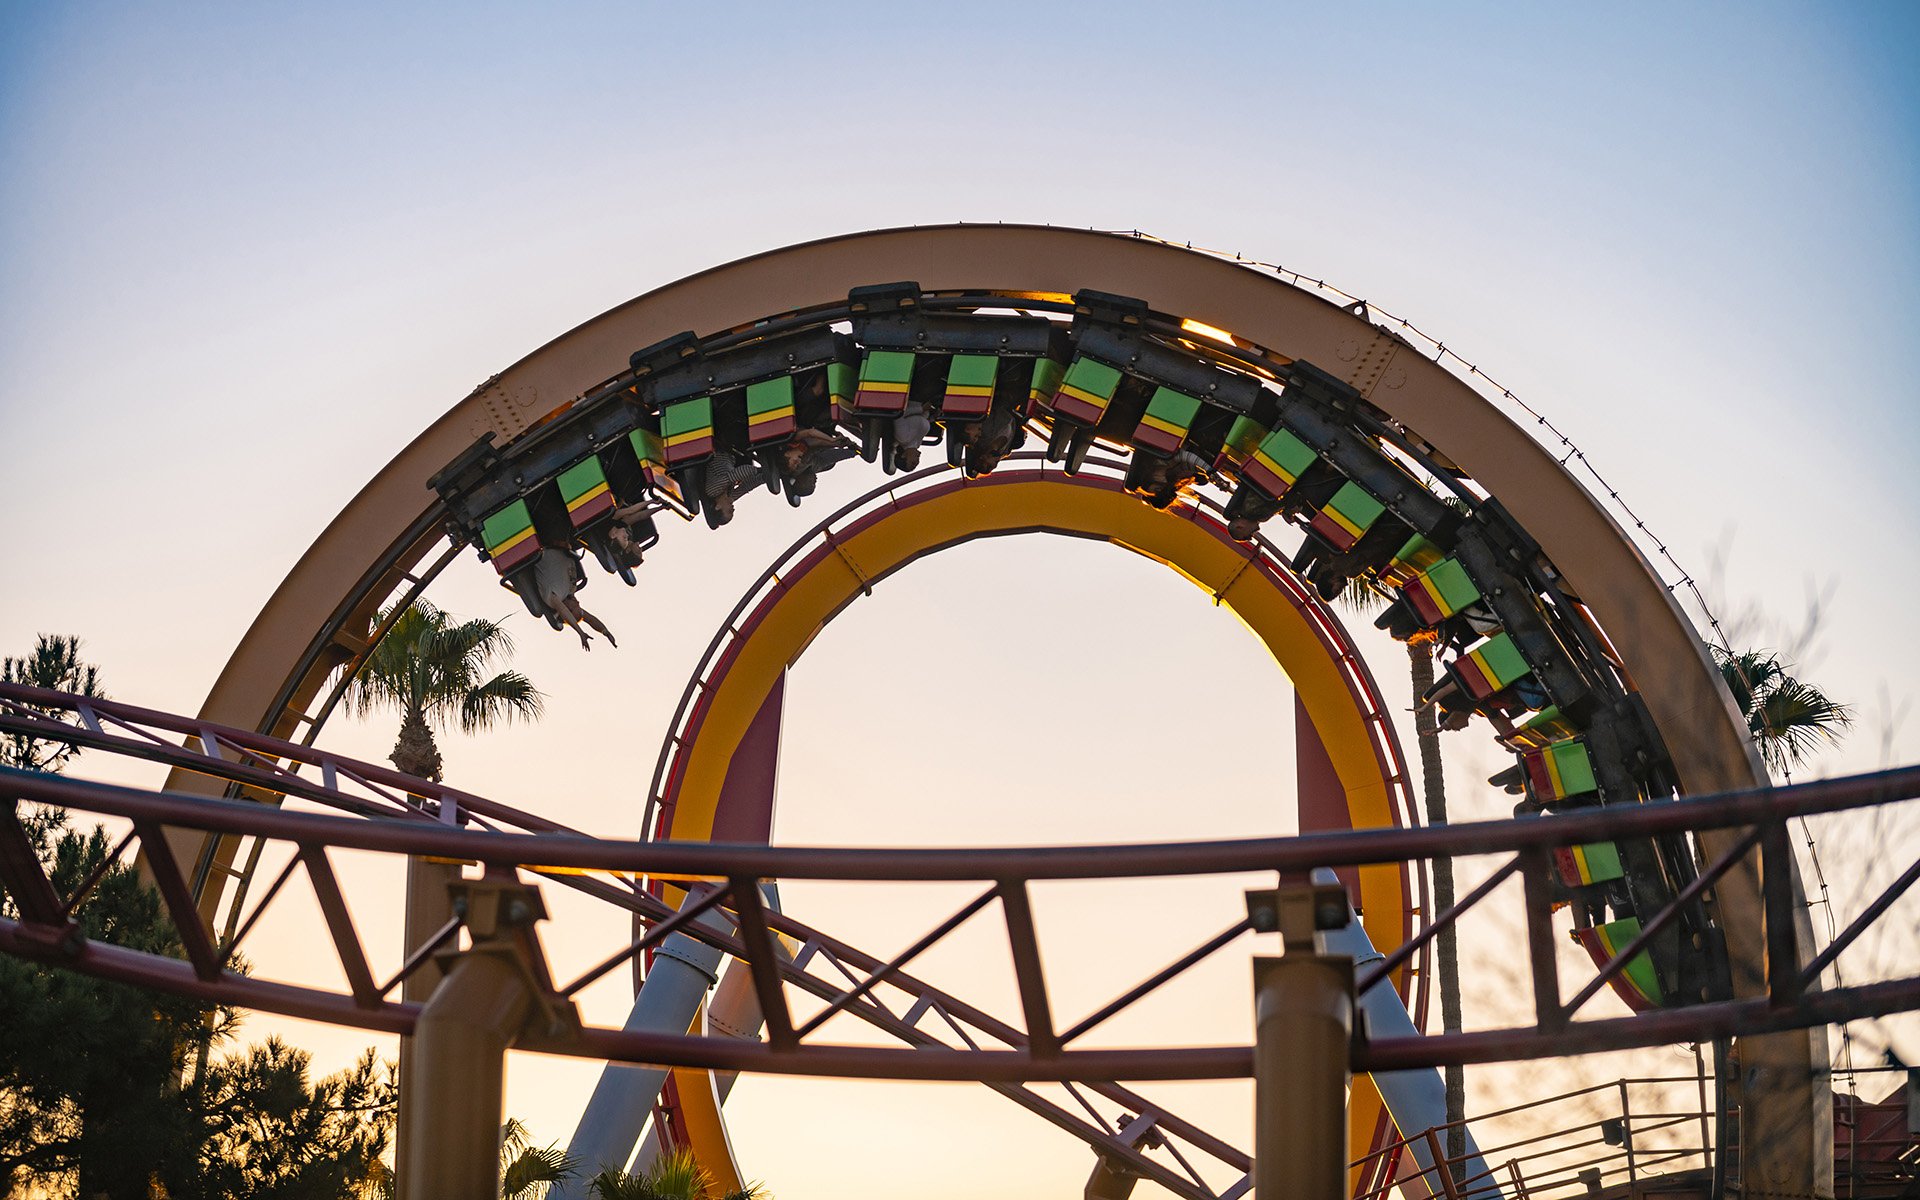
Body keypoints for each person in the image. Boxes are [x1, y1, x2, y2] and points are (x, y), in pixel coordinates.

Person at [533, 546, 617, 651]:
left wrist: (580, 633)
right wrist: (605, 631)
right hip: (567, 546)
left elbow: (563, 611)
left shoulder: (551, 598)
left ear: (567, 610)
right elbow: (590, 619)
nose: (577, 602)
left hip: (551, 543)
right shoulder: (570, 590)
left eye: (575, 606)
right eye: (579, 605)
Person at [891, 398, 930, 472]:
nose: (917, 462)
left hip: (912, 398)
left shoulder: (903, 437)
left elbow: (898, 414)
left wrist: (921, 409)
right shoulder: (917, 443)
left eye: (913, 463)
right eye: (916, 464)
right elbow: (921, 419)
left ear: (904, 456)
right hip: (925, 401)